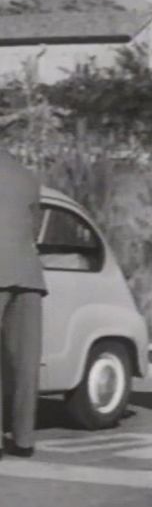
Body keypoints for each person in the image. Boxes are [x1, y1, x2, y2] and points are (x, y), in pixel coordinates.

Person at [0, 145, 46, 458]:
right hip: (29, 274)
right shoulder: (26, 175)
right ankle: (24, 438)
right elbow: (34, 227)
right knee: (26, 363)